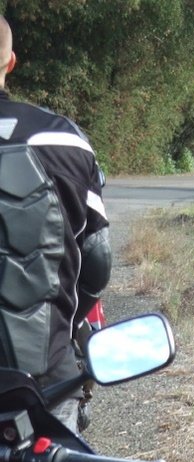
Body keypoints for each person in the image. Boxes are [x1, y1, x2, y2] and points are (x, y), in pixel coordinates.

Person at [0, 16, 111, 432]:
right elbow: (97, 260)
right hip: (44, 380)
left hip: (46, 379)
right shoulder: (64, 140)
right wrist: (67, 322)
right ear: (11, 62)